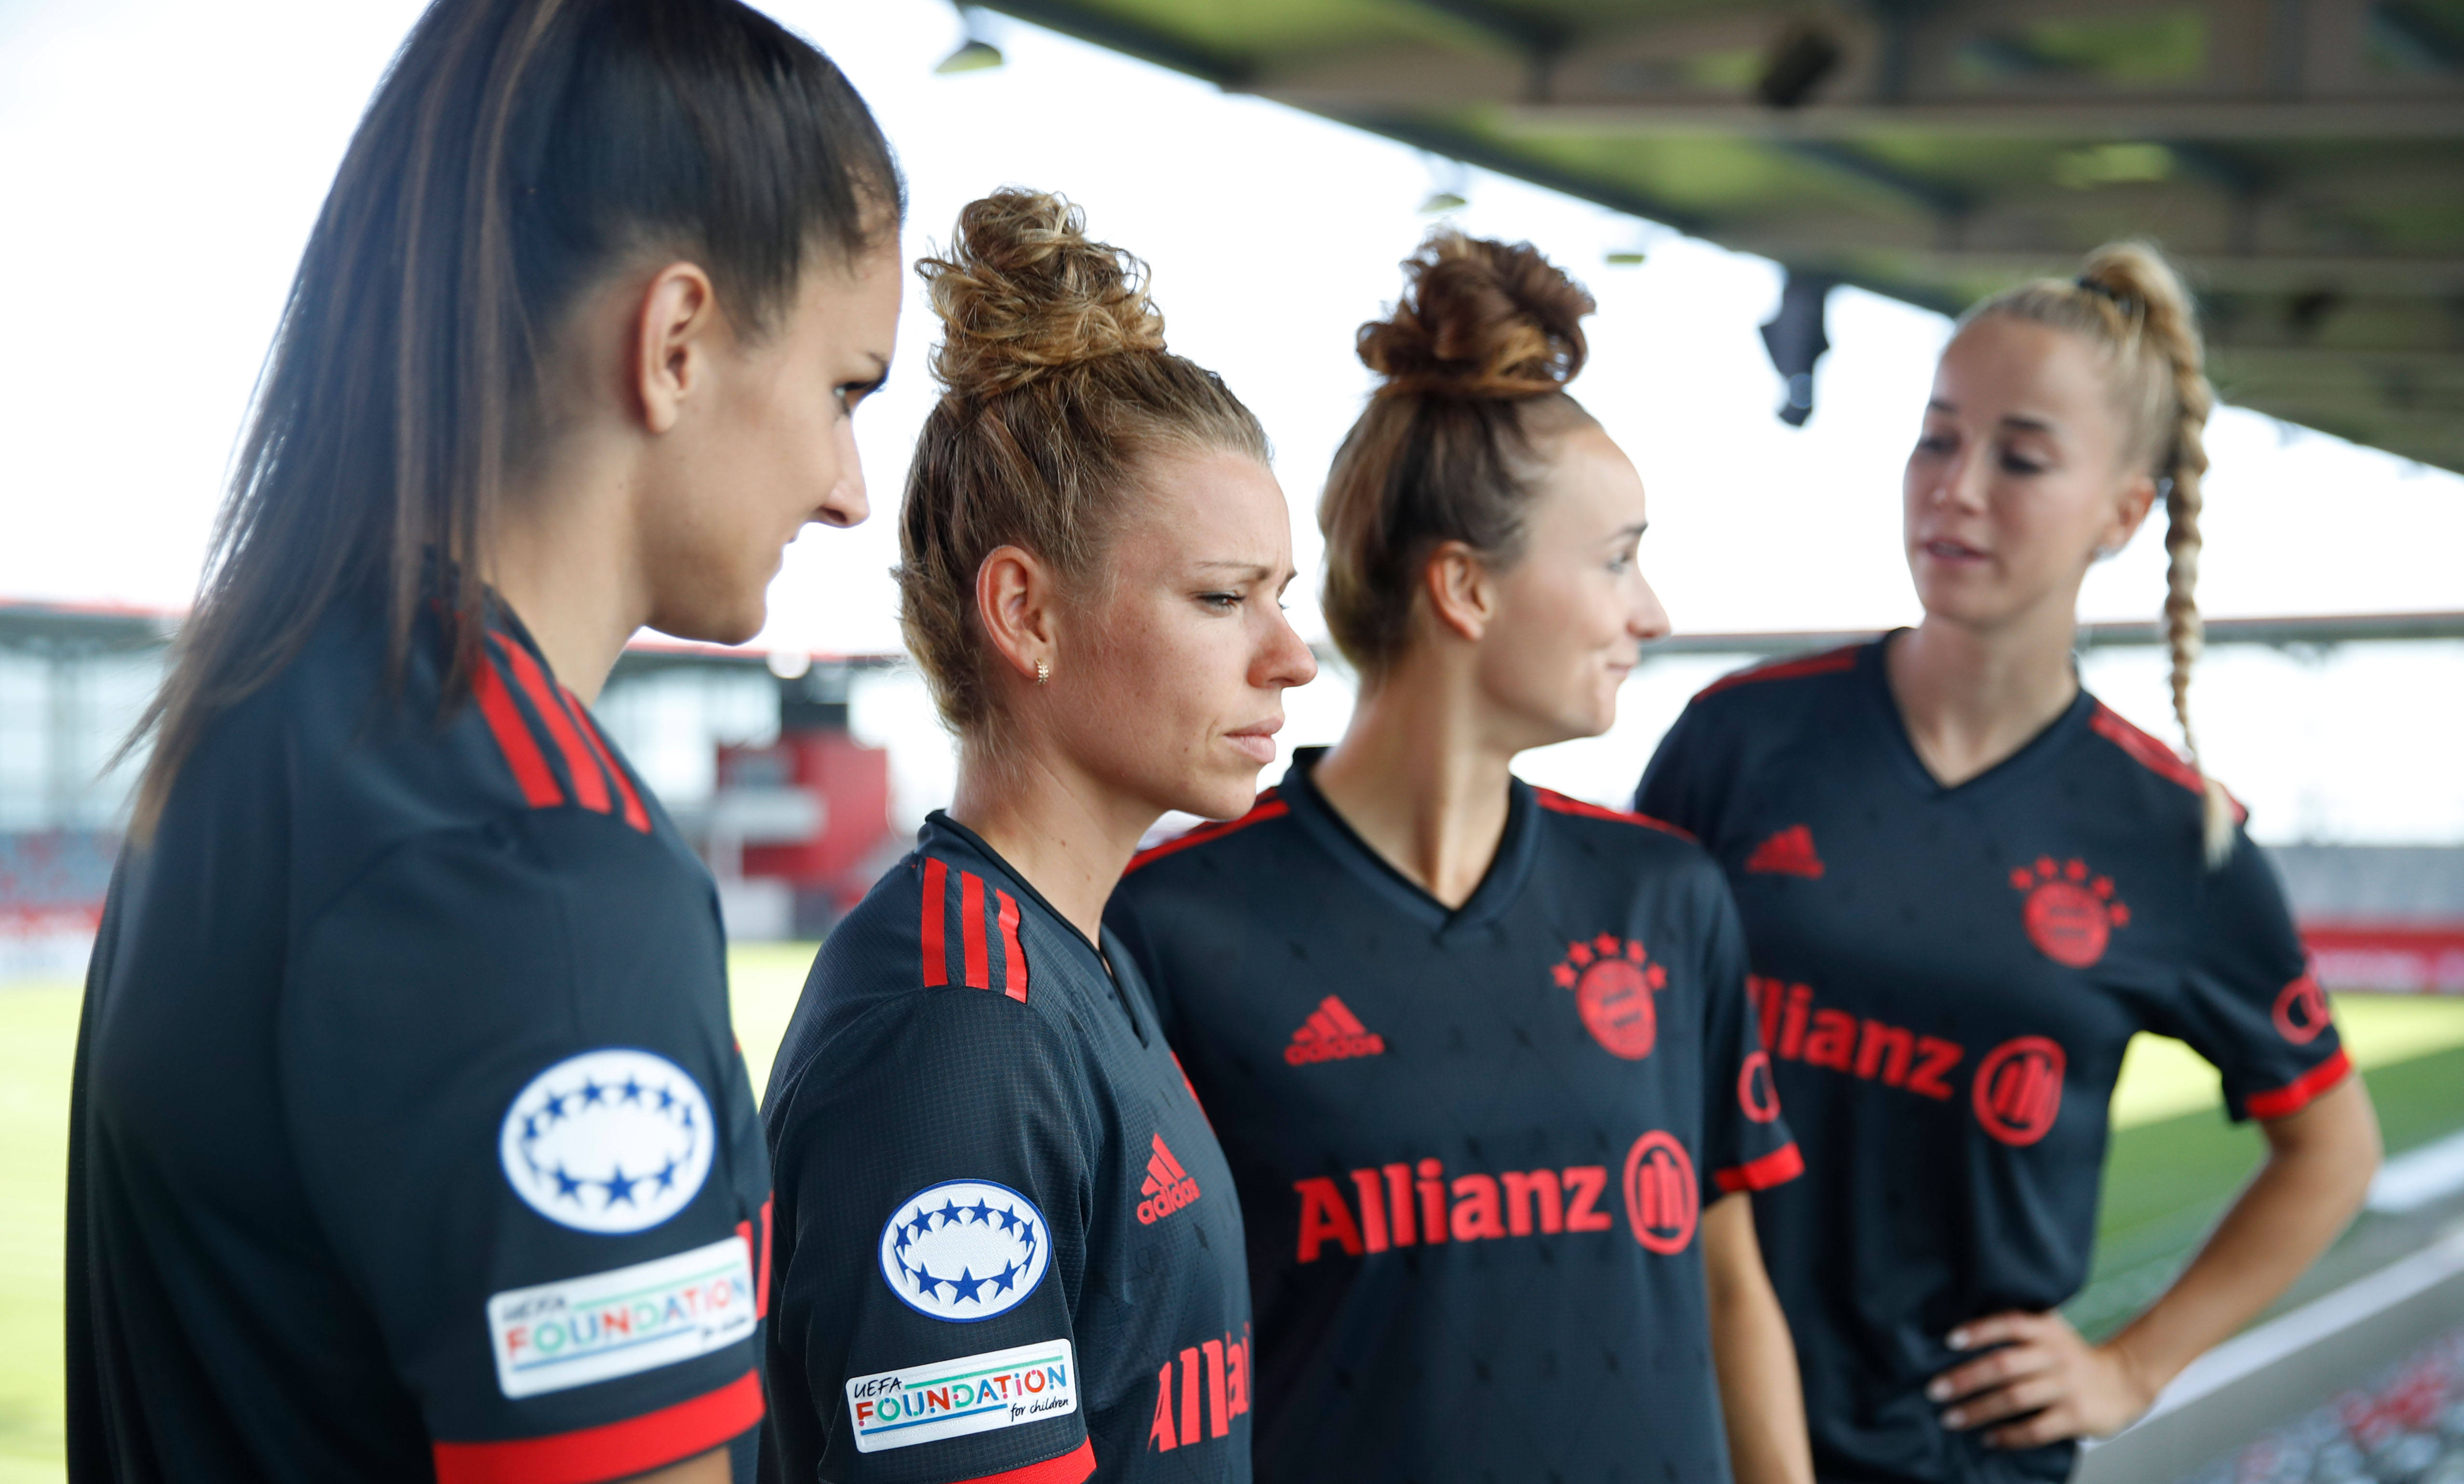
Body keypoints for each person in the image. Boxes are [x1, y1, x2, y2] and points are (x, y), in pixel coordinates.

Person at [63, 2, 904, 1482]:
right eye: (846, 391)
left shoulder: (264, 714)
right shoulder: (532, 863)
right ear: (679, 343)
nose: (849, 488)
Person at [1636, 243, 2386, 1482]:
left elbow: (2334, 1148)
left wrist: (2130, 1367)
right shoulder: (1744, 738)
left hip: (1955, 1460)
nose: (1957, 487)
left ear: (2123, 514)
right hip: (1680, 1422)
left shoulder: (2172, 838)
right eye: (1937, 439)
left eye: (2021, 457)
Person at [1106, 231, 1814, 1484]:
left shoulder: (1665, 896)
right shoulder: (1169, 924)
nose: (1651, 612)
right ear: (1464, 589)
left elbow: (1731, 1285)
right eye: (1615, 559)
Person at [758, 189, 1313, 1484]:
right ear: (1026, 611)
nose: (1290, 655)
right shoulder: (960, 1026)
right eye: (1224, 598)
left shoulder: (1066, 960)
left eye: (1282, 597)